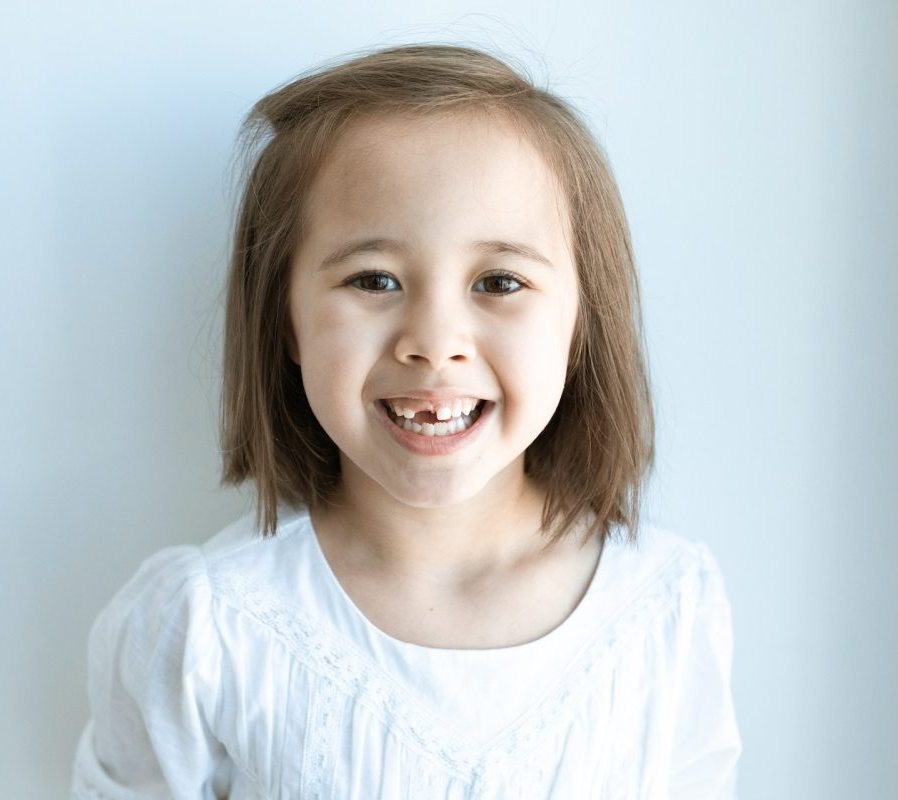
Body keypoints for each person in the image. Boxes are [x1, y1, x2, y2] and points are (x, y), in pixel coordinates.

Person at [70, 43, 742, 799]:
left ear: (581, 322)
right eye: (375, 279)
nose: (434, 342)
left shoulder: (666, 609)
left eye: (499, 281)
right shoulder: (203, 629)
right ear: (285, 321)